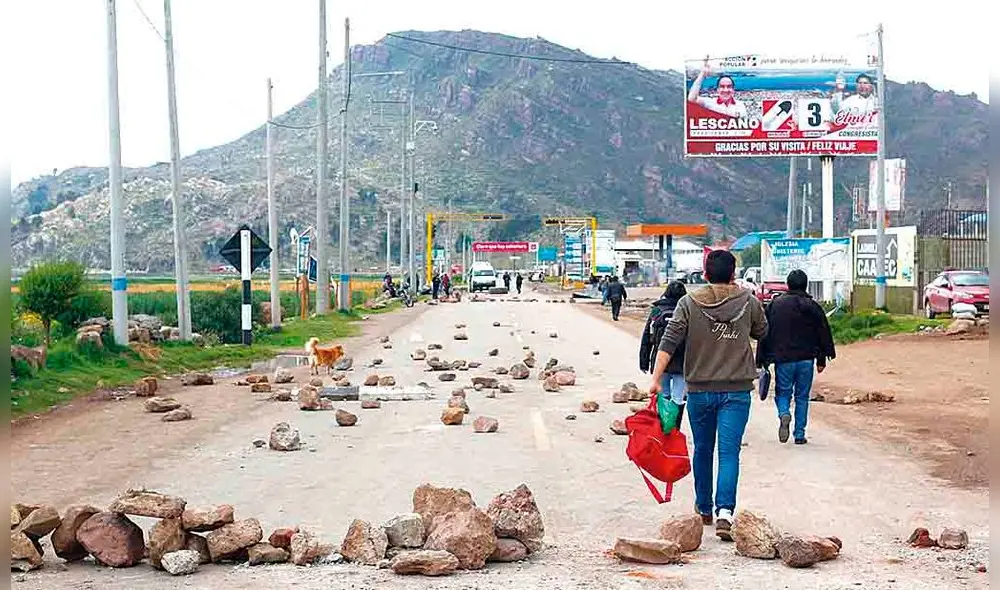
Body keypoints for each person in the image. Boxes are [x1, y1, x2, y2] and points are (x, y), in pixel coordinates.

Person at [649, 250, 767, 540]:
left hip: (700, 391)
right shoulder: (748, 301)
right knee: (729, 453)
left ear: (704, 274)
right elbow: (762, 331)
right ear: (733, 273)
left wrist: (656, 379)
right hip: (736, 391)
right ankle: (725, 511)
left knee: (703, 449)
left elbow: (670, 340)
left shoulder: (688, 303)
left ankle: (704, 508)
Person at [755, 269, 836, 445]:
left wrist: (762, 359)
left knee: (783, 393)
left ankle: (784, 412)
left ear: (788, 284)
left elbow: (765, 332)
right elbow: (822, 333)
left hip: (783, 360)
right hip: (807, 360)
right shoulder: (812, 306)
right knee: (802, 397)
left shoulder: (775, 305)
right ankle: (799, 434)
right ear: (805, 284)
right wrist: (822, 359)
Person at [640, 280, 688, 423]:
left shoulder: (657, 311)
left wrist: (644, 361)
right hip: (682, 363)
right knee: (678, 398)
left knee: (663, 395)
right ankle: (675, 428)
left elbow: (647, 337)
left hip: (660, 362)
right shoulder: (686, 310)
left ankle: (664, 427)